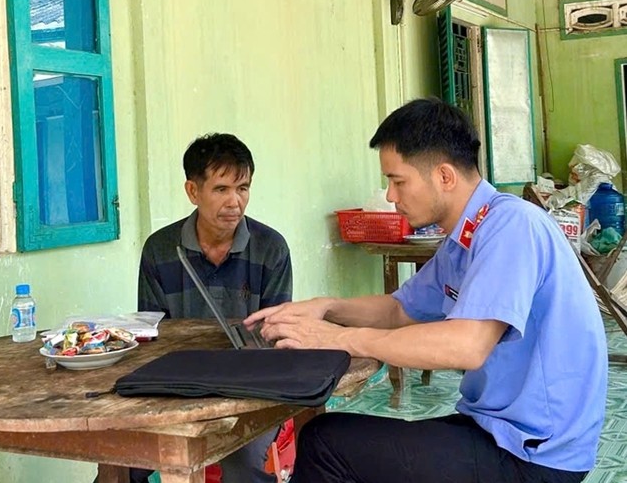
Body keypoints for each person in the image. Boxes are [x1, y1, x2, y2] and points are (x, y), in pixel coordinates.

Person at [244, 98, 607, 483]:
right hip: (496, 428)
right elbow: (399, 310)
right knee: (342, 440)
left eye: (398, 181)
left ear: (444, 176)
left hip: (535, 453)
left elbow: (466, 346)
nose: (390, 196)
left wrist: (339, 338)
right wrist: (327, 307)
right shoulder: (464, 239)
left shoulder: (512, 226)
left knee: (326, 443)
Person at [133, 132, 293, 483]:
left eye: (243, 188)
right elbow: (150, 335)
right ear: (193, 191)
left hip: (251, 392)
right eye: (221, 189)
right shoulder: (160, 249)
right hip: (177, 388)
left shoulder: (271, 249)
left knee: (245, 462)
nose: (235, 202)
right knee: (126, 458)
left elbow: (276, 337)